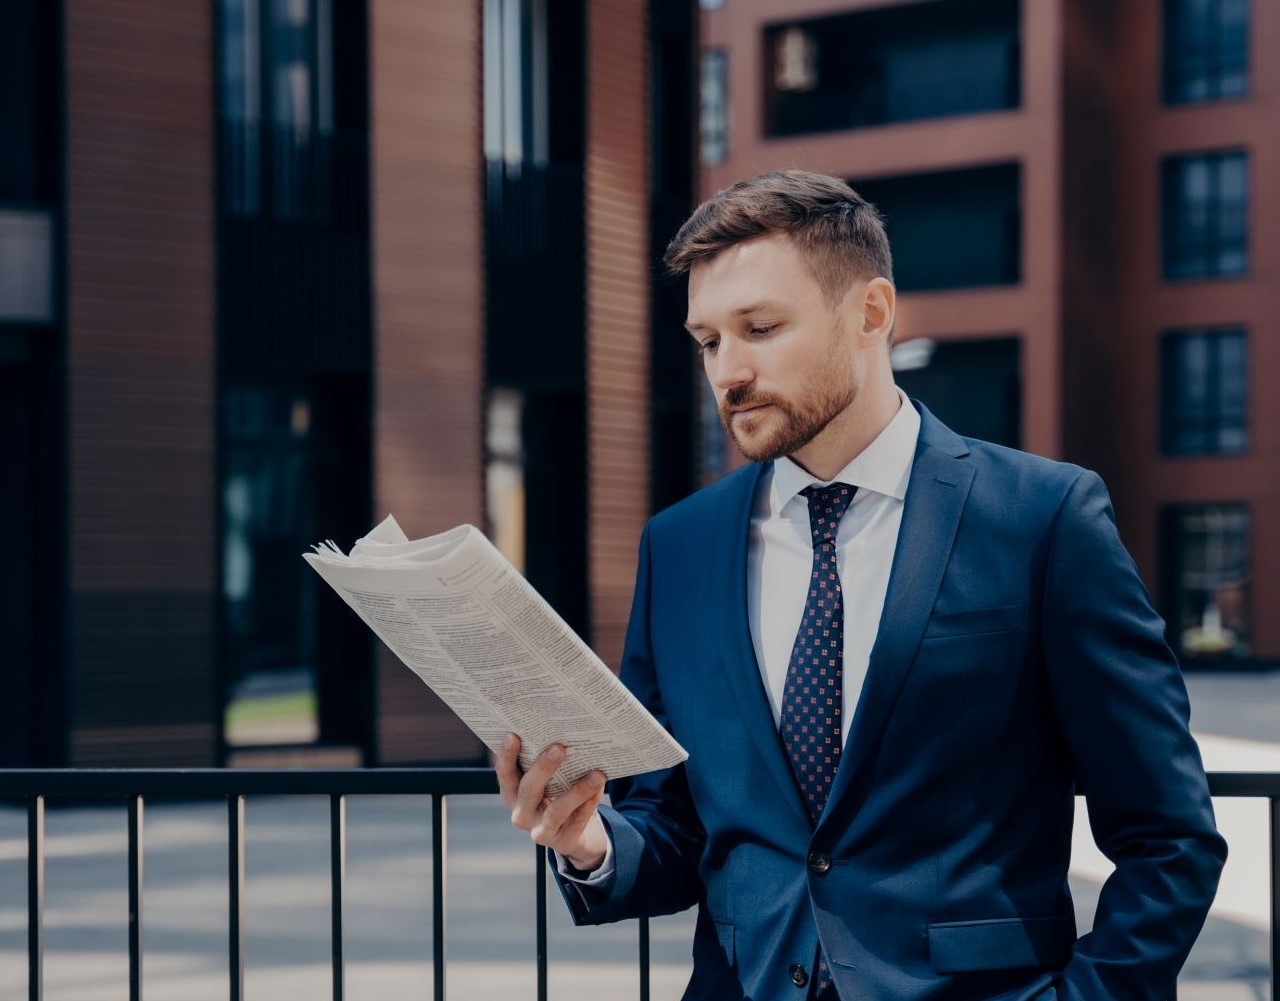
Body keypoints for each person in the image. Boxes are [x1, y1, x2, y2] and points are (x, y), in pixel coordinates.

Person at [495, 169, 1226, 1001]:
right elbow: (674, 827)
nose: (727, 372)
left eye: (760, 328)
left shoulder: (1042, 517)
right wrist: (588, 838)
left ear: (871, 314)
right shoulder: (680, 545)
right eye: (707, 341)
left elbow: (1170, 836)